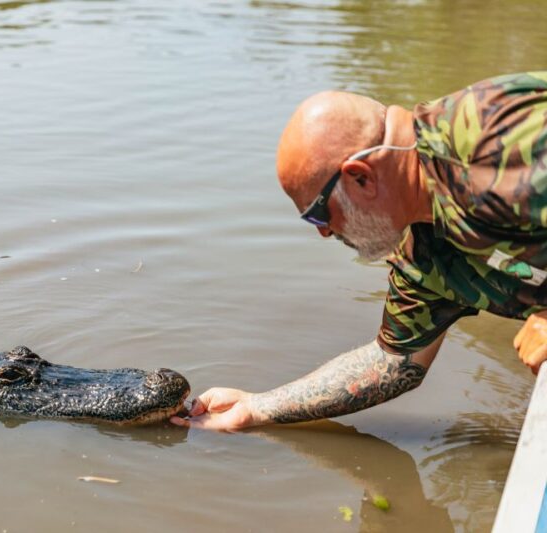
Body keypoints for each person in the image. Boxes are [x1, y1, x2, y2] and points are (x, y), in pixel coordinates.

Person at [171, 71, 547, 431]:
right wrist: (255, 409)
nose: (324, 232)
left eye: (319, 214)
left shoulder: (492, 132)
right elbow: (394, 364)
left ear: (361, 176)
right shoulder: (423, 254)